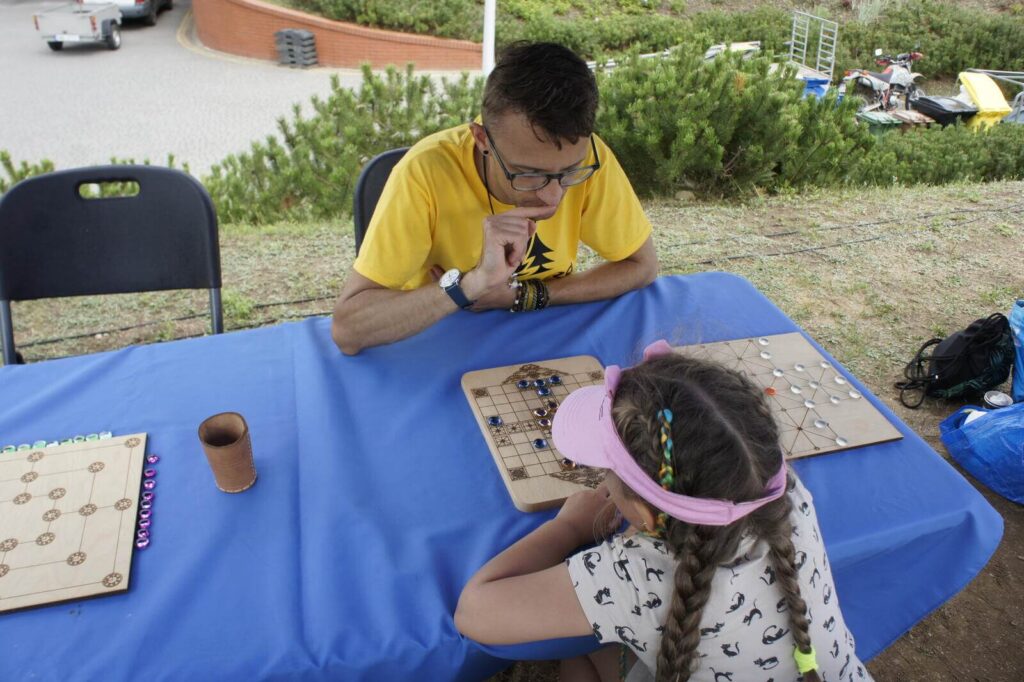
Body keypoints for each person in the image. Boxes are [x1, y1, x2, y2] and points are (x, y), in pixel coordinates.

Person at [455, 341, 872, 682]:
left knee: (581, 659)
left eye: (608, 473)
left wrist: (568, 527)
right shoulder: (789, 497)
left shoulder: (637, 576)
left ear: (647, 517)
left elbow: (473, 613)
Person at [331, 42, 658, 355]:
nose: (552, 196)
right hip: (441, 338)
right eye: (528, 173)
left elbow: (642, 265)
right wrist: (469, 286)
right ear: (482, 138)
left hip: (545, 334)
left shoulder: (591, 157)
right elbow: (348, 331)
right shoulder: (423, 173)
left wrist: (523, 296)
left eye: (569, 173)